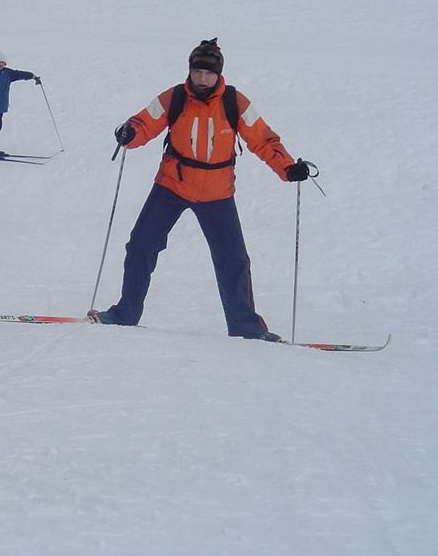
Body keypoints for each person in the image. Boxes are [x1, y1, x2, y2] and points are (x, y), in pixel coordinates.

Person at [88, 38, 311, 341]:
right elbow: (145, 122)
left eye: (208, 73)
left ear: (219, 74)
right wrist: (130, 132)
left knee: (234, 261)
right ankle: (124, 314)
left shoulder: (235, 102)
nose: (202, 78)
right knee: (141, 245)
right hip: (172, 185)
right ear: (190, 71)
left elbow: (262, 138)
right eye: (197, 71)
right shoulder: (175, 97)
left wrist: (287, 167)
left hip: (217, 193)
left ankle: (246, 329)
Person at [0, 53, 41, 159]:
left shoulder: (8, 73)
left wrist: (32, 76)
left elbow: (19, 74)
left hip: (2, 102)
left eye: (2, 62)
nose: (0, 64)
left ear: (5, 63)